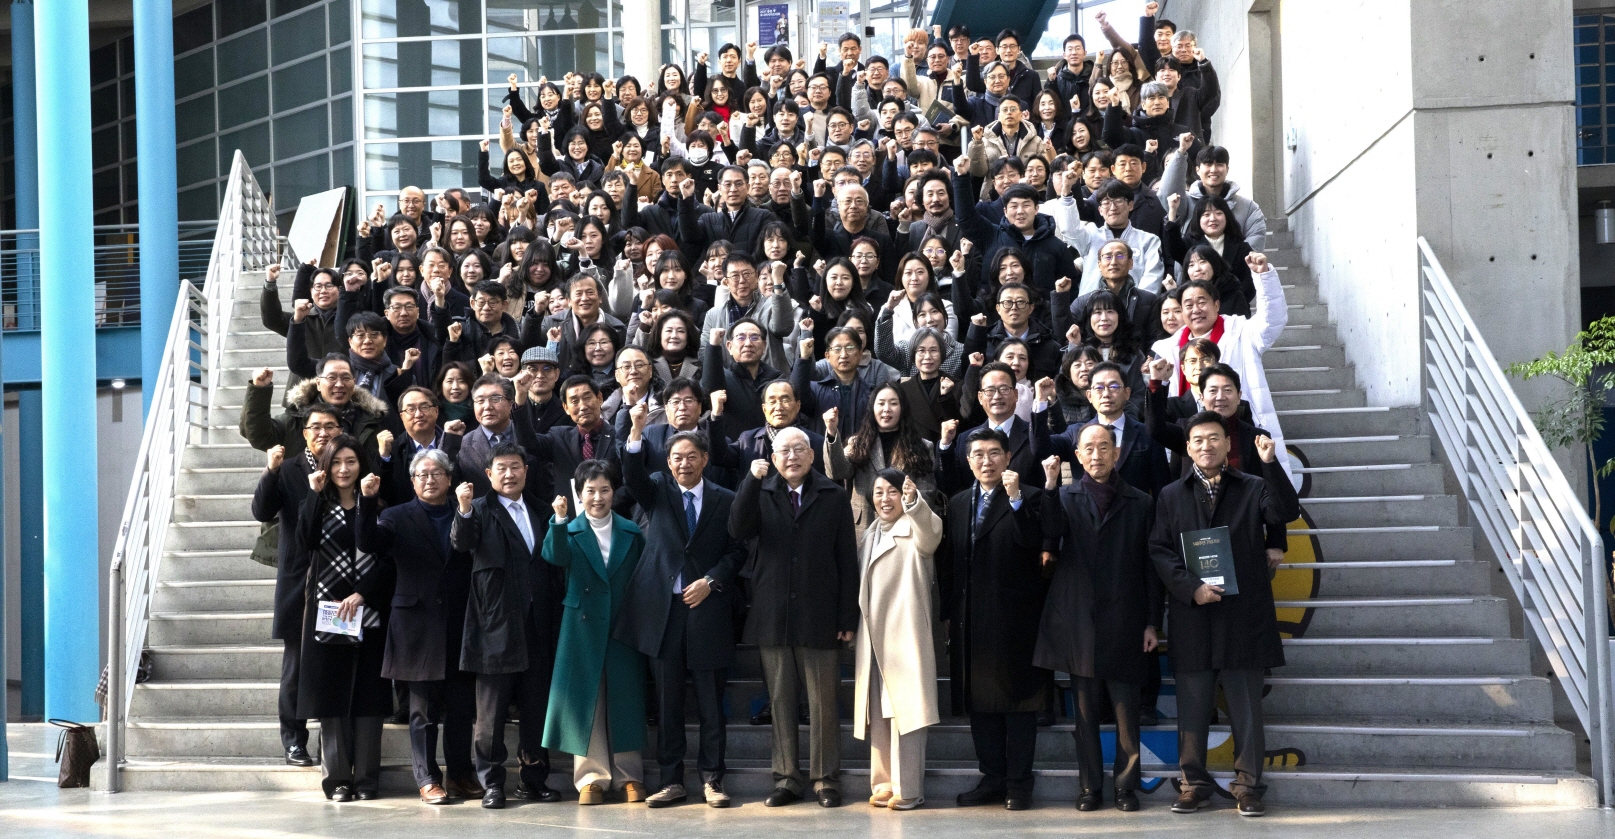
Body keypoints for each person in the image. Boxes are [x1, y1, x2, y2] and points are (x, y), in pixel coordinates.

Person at [1150, 412, 1298, 817]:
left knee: (1247, 709)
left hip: (1243, 613)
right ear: (1187, 446)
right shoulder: (1170, 494)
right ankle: (1193, 783)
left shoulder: (1251, 486)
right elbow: (1160, 551)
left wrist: (1269, 463)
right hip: (1193, 614)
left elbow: (1284, 511)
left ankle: (1248, 786)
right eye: (1197, 440)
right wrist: (1190, 588)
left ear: (1228, 444)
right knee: (1193, 707)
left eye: (1214, 438)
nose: (1206, 446)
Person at [618, 412, 745, 808]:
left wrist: (711, 581)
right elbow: (632, 477)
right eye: (676, 458)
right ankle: (671, 780)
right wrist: (636, 431)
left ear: (704, 459)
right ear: (668, 463)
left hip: (707, 609)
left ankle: (712, 779)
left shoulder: (726, 499)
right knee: (668, 703)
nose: (684, 464)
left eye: (691, 456)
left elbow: (737, 550)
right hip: (663, 612)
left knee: (710, 703)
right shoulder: (657, 489)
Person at [730, 427, 859, 808]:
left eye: (799, 449)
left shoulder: (833, 495)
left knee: (822, 703)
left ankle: (825, 779)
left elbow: (846, 561)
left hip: (820, 613)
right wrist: (751, 482)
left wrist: (846, 616)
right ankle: (787, 777)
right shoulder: (763, 492)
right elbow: (737, 528)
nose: (791, 457)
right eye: (783, 451)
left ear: (812, 454)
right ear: (772, 458)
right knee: (781, 701)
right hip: (774, 613)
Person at [1035, 424, 1162, 812]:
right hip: (1079, 622)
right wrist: (1051, 486)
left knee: (1127, 713)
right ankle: (1090, 787)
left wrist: (1152, 622)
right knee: (1085, 715)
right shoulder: (1065, 497)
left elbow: (1150, 566)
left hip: (1126, 617)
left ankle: (1127, 786)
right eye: (1088, 448)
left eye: (1103, 447)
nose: (1096, 455)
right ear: (1077, 454)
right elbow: (1049, 538)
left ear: (1117, 451)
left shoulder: (1140, 500)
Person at [356, 448, 479, 804]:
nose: (430, 479)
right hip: (415, 624)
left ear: (449, 478)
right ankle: (427, 779)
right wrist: (367, 501)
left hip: (459, 622)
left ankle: (460, 775)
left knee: (460, 709)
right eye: (422, 475)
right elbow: (368, 543)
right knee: (422, 710)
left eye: (436, 473)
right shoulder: (395, 516)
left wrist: (466, 510)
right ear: (412, 482)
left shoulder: (466, 512)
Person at [453, 441, 566, 808]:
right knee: (490, 716)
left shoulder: (540, 508)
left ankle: (533, 779)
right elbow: (462, 541)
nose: (509, 473)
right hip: (495, 628)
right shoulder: (479, 510)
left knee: (536, 711)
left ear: (525, 470)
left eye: (515, 466)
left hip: (537, 627)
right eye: (501, 468)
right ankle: (491, 783)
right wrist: (464, 509)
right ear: (489, 474)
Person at [942, 427, 1045, 810]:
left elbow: (1033, 542)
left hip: (1015, 615)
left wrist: (1016, 500)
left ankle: (1019, 783)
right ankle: (993, 777)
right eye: (978, 455)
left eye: (994, 453)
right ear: (968, 462)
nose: (986, 461)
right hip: (970, 618)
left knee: (1017, 703)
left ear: (1008, 458)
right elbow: (950, 562)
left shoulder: (1030, 497)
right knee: (980, 703)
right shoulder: (956, 503)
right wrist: (948, 612)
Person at [540, 460, 649, 805]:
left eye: (604, 490)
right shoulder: (567, 528)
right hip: (581, 626)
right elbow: (553, 558)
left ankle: (630, 776)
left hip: (622, 624)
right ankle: (591, 777)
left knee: (625, 699)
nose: (598, 497)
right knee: (586, 700)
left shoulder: (631, 531)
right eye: (590, 491)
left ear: (614, 492)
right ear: (579, 493)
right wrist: (558, 520)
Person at [295, 436, 394, 801]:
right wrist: (311, 494)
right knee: (331, 699)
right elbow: (303, 543)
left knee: (370, 698)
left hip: (367, 610)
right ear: (325, 465)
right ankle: (337, 780)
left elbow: (386, 561)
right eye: (335, 462)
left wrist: (363, 593)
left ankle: (367, 780)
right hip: (328, 614)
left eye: (350, 461)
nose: (343, 469)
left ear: (361, 464)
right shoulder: (318, 505)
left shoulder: (378, 505)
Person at [249, 406, 341, 769]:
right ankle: (294, 741)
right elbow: (261, 511)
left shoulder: (348, 465)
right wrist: (270, 470)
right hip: (299, 581)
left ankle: (332, 745)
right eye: (315, 427)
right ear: (304, 433)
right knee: (296, 667)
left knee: (334, 665)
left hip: (340, 580)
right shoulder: (289, 469)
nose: (322, 433)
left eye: (330, 426)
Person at [1148, 254, 1292, 481]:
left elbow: (1271, 321)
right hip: (1191, 447)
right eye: (1188, 305)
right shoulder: (1168, 348)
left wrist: (1264, 277)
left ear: (1216, 304)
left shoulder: (1242, 331)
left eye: (1202, 302)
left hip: (1239, 436)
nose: (1195, 309)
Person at [852, 469, 943, 811]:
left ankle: (910, 789)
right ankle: (884, 783)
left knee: (906, 714)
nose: (885, 499)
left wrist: (914, 502)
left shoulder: (915, 528)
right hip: (873, 638)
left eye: (893, 492)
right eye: (879, 492)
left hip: (904, 635)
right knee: (877, 714)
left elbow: (932, 533)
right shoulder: (871, 532)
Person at [824, 381, 939, 541]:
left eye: (893, 403)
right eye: (881, 403)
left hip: (905, 527)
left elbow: (927, 492)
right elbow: (836, 471)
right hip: (864, 525)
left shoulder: (923, 446)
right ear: (873, 408)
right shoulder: (857, 443)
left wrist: (911, 509)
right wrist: (831, 432)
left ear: (902, 408)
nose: (887, 409)